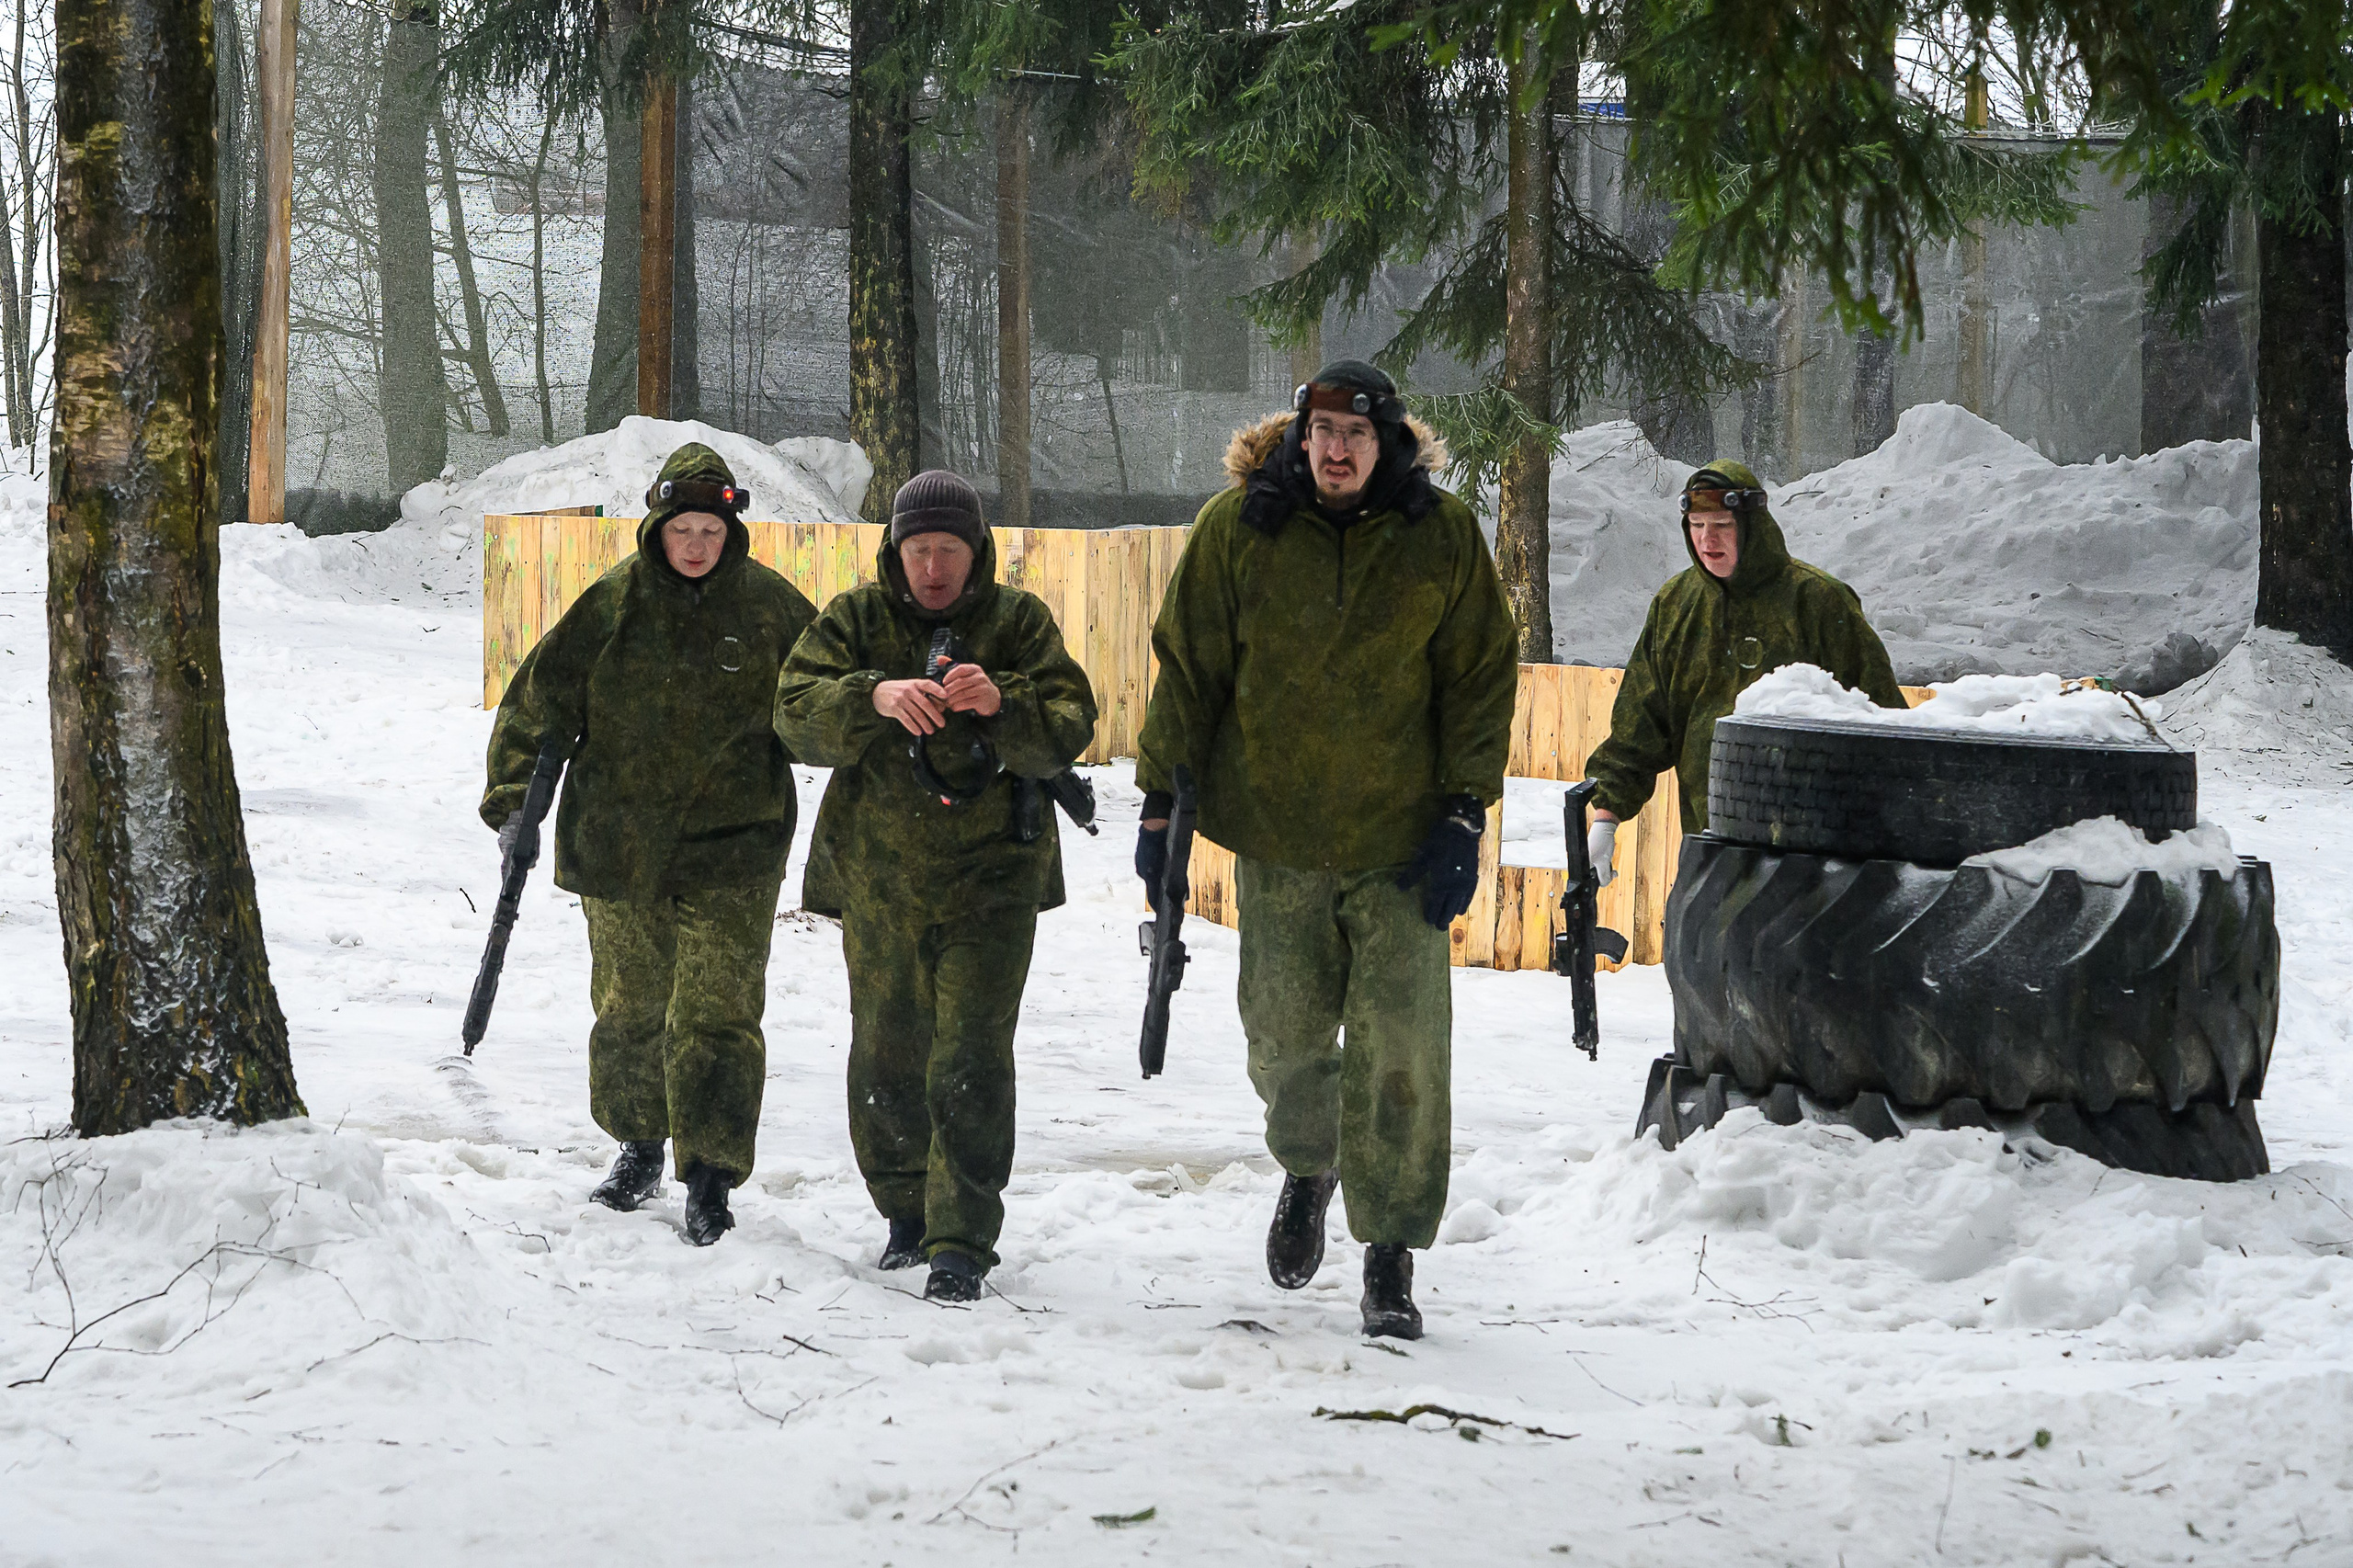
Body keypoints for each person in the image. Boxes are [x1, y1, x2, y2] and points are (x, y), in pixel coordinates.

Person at [1133, 359, 1518, 1339]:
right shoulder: (1239, 531)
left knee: (1401, 1054)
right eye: (1322, 430)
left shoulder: (1440, 539)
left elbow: (1478, 675)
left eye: (1356, 431)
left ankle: (1389, 1252)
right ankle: (1310, 1164)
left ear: (1387, 440)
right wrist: (1154, 806)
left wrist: (1464, 810)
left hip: (1401, 840)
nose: (1337, 448)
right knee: (1284, 1041)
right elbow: (1188, 667)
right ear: (1299, 436)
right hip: (1279, 831)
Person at [480, 443, 816, 1246]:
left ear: (731, 531)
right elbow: (537, 705)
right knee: (630, 1005)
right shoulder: (611, 606)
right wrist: (513, 806)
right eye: (682, 529)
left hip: (735, 848)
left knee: (719, 1014)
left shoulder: (771, 609)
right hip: (619, 844)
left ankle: (710, 1175)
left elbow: (820, 698)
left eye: (711, 529)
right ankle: (638, 1145)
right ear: (657, 529)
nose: (696, 545)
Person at [773, 470, 1097, 1303]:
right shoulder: (854, 620)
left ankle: (960, 1241)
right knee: (887, 1050)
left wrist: (1003, 701)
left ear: (976, 552)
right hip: (879, 878)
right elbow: (792, 713)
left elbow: (1071, 726)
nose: (933, 568)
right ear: (895, 553)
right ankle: (905, 1213)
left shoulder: (1018, 622)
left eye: (949, 550)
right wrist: (872, 695)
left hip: (993, 882)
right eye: (917, 550)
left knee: (973, 1057)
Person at [1583, 460, 1906, 881]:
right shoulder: (1677, 605)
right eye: (1696, 525)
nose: (1706, 539)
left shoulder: (1817, 602)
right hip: (1710, 849)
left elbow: (1884, 722)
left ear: (1753, 527)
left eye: (1721, 524)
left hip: (1813, 860)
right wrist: (1606, 819)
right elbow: (1641, 725)